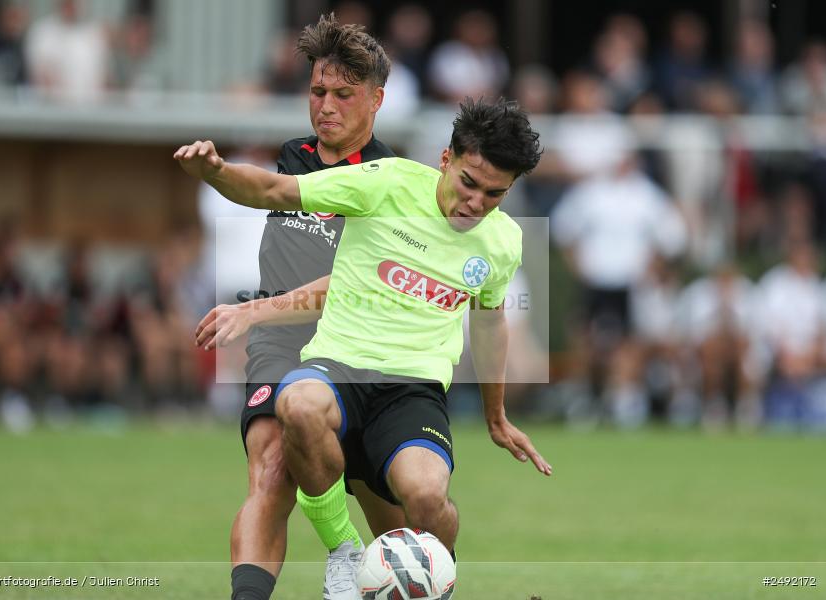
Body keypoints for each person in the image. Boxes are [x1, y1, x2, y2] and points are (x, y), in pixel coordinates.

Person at [176, 97, 553, 593]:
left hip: (412, 390)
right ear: (446, 159)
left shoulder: (503, 242)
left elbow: (489, 322)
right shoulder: (387, 181)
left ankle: (435, 581)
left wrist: (496, 416)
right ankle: (344, 550)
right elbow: (275, 189)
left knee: (427, 499)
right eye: (469, 182)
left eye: (494, 194)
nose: (476, 203)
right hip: (338, 367)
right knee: (298, 404)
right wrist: (217, 172)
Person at [196, 14, 405, 600]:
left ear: (377, 100)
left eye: (344, 94)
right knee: (270, 470)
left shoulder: (391, 180)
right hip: (283, 344)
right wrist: (214, 171)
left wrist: (253, 311)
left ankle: (389, 566)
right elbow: (257, 186)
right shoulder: (295, 157)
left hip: (360, 349)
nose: (326, 106)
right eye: (318, 92)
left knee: (392, 516)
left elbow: (352, 283)